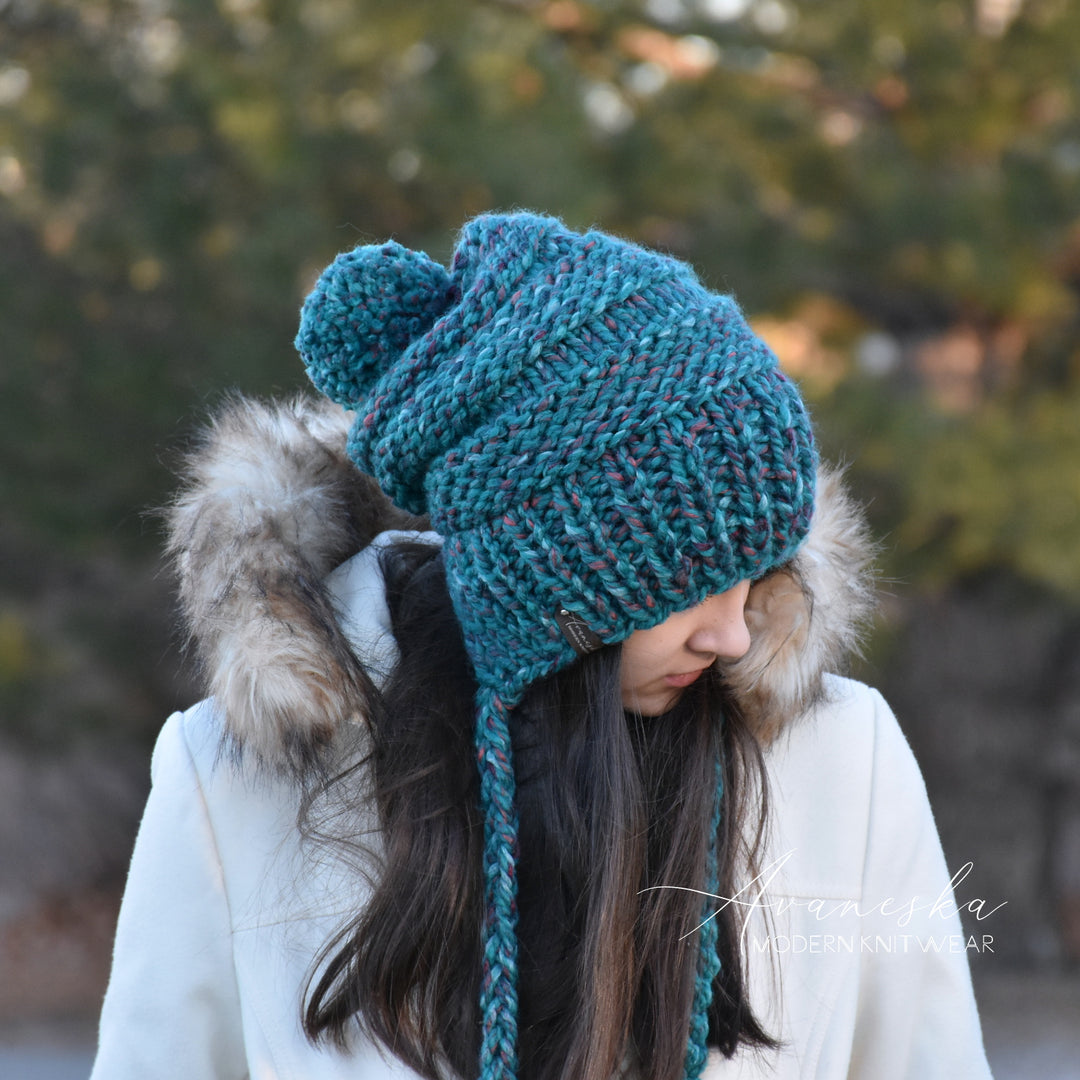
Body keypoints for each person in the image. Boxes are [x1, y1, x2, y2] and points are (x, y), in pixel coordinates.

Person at [91, 212, 993, 1079]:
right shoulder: (236, 779)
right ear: (553, 580)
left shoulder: (843, 759)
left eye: (755, 578)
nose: (731, 635)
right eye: (691, 585)